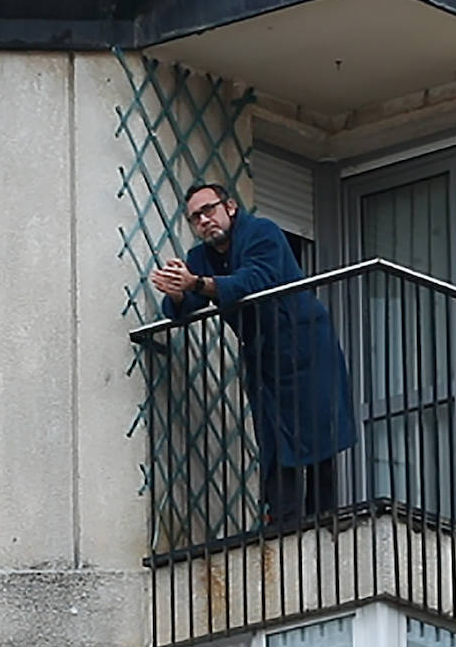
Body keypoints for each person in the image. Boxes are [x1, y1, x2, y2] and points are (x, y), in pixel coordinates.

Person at [151, 183, 357, 528]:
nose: (204, 221)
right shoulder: (200, 257)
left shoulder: (263, 232)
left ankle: (325, 514)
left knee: (319, 429)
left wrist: (196, 283)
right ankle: (284, 519)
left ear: (230, 207)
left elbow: (255, 281)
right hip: (263, 354)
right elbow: (186, 308)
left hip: (305, 342)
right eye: (195, 218)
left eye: (209, 210)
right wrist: (175, 293)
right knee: (275, 437)